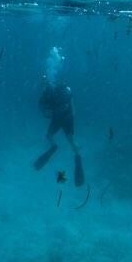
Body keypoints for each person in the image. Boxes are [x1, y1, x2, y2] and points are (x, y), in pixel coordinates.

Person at [33, 47, 84, 187]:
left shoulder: (47, 93)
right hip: (67, 118)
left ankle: (54, 147)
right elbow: (72, 103)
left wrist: (50, 113)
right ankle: (78, 157)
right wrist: (72, 114)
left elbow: (43, 110)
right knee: (71, 140)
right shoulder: (64, 88)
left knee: (49, 136)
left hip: (57, 119)